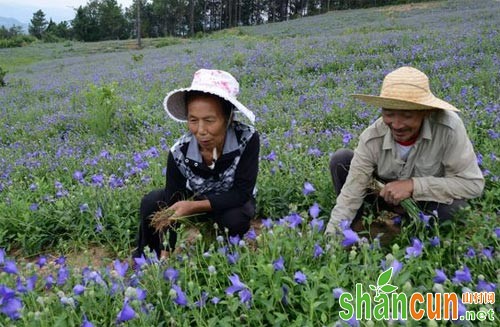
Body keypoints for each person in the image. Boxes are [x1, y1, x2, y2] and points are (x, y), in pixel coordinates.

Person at [325, 66, 484, 237]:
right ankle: (359, 226)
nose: (397, 124)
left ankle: (402, 229)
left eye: (407, 115)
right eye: (388, 113)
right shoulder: (372, 137)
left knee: (455, 210)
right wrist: (332, 236)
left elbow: (472, 185)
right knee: (341, 160)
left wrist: (413, 186)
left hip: (424, 201)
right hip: (382, 196)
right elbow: (351, 192)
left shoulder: (448, 129)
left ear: (426, 112)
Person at [134, 69, 260, 258]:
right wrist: (166, 253)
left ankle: (227, 254)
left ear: (228, 118)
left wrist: (193, 207)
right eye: (193, 120)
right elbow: (173, 201)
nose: (200, 130)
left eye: (209, 120)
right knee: (152, 202)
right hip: (193, 199)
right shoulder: (179, 151)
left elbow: (242, 193)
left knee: (234, 219)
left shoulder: (247, 138)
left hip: (231, 203)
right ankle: (147, 259)